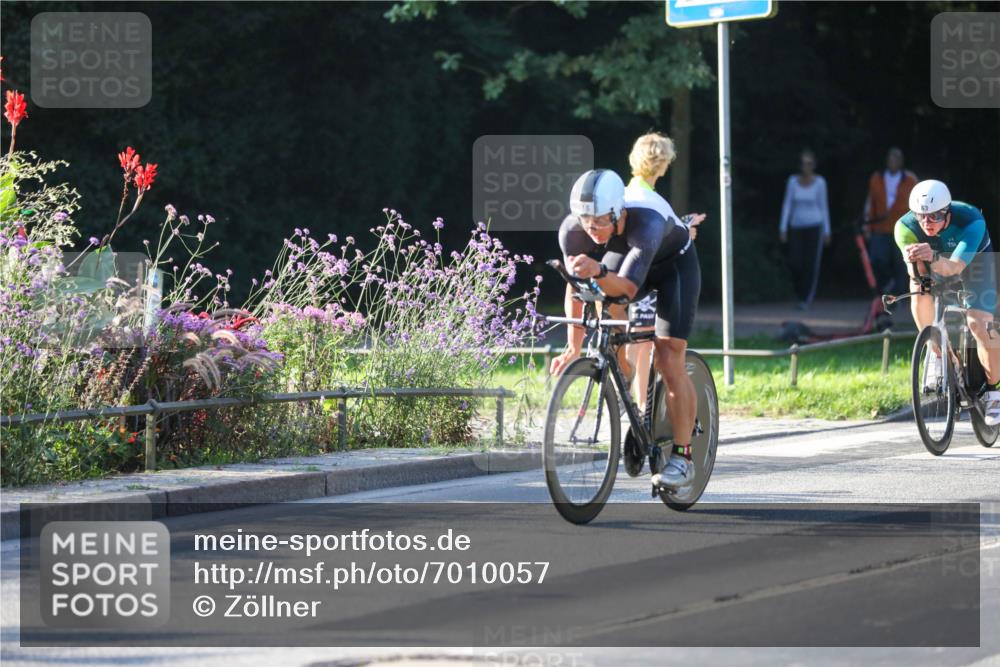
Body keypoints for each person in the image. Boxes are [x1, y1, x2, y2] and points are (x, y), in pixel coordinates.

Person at [549, 168, 700, 490]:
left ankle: (683, 458)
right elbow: (578, 287)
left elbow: (629, 288)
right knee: (603, 298)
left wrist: (599, 269)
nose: (594, 231)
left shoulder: (647, 222)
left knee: (668, 356)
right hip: (630, 259)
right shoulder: (574, 231)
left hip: (674, 266)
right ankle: (622, 369)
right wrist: (574, 346)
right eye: (587, 223)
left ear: (619, 212)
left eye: (602, 221)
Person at [894, 179, 1000, 424]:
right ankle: (935, 351)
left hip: (973, 265)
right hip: (934, 263)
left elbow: (953, 267)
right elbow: (916, 271)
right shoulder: (904, 227)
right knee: (919, 287)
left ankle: (995, 391)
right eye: (921, 217)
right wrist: (919, 267)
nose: (927, 223)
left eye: (934, 217)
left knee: (979, 324)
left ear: (947, 211)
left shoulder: (971, 221)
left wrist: (931, 255)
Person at [623, 132, 706, 413]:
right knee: (651, 344)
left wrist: (682, 228)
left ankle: (638, 403)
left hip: (634, 269)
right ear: (662, 165)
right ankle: (644, 405)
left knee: (638, 339)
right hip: (648, 270)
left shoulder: (628, 192)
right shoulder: (647, 195)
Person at [779, 149, 831, 310]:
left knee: (810, 264)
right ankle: (798, 293)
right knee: (795, 262)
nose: (806, 166)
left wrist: (827, 231)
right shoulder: (793, 182)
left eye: (809, 163)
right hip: (796, 226)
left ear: (813, 165)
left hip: (815, 226)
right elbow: (787, 204)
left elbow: (824, 206)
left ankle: (806, 298)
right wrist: (783, 227)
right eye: (803, 163)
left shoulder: (820, 182)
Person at [865, 147, 918, 296]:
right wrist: (868, 225)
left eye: (897, 158)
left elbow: (917, 204)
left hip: (902, 228)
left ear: (901, 161)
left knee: (901, 263)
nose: (893, 161)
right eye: (891, 158)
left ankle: (899, 295)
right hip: (880, 226)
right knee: (876, 259)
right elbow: (870, 202)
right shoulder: (876, 178)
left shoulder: (910, 179)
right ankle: (887, 285)